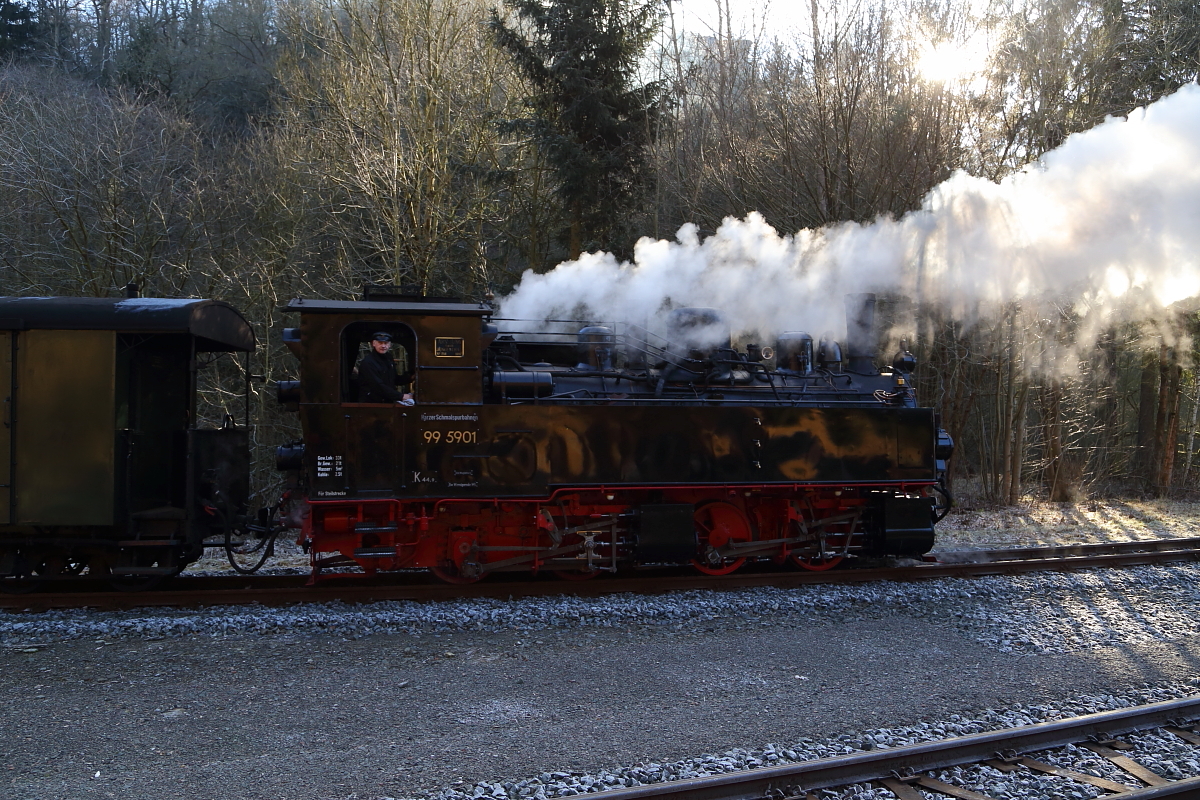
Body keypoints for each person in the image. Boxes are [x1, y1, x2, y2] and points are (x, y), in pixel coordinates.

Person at [356, 332, 414, 405]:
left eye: (386, 343)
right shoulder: (368, 362)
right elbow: (377, 385)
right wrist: (401, 396)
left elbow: (394, 379)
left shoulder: (389, 359)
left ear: (389, 345)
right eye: (380, 343)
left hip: (386, 401)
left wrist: (410, 377)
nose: (383, 346)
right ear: (374, 344)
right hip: (371, 403)